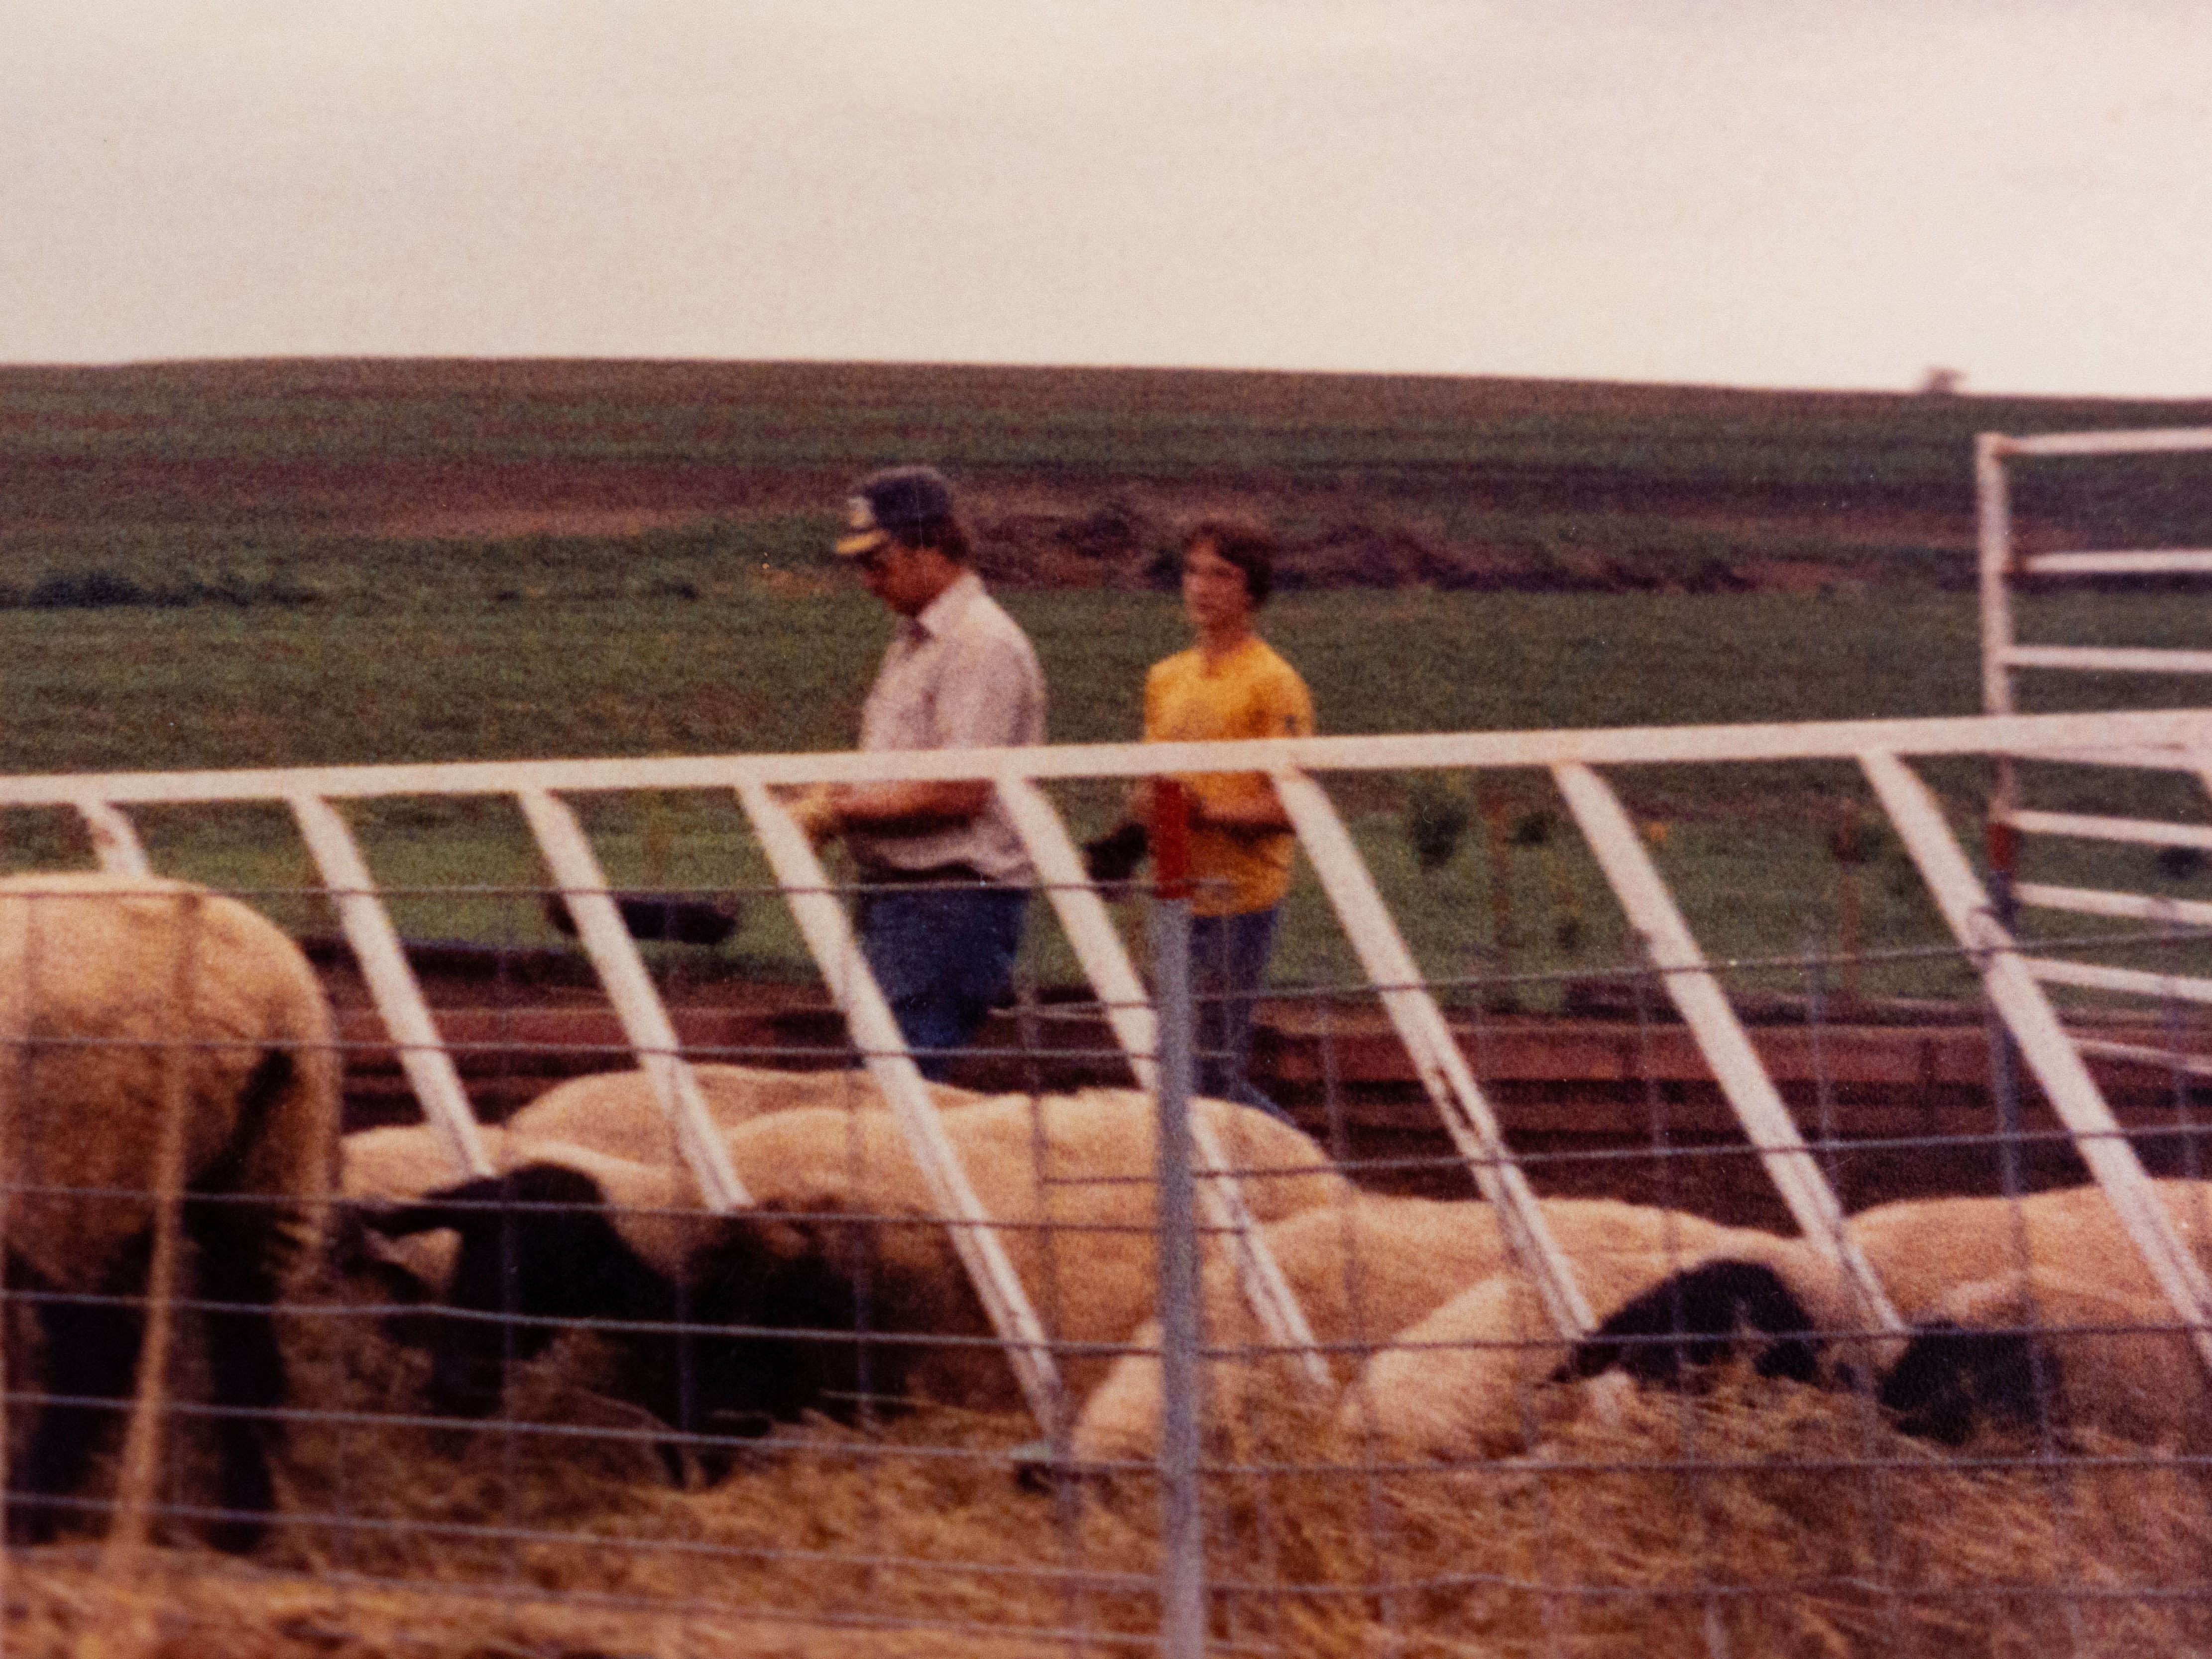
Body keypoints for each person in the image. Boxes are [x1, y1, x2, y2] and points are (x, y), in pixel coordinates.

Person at [788, 466, 1046, 1079]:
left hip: (950, 899)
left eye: (880, 562)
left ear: (930, 546)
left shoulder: (980, 644)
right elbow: (903, 770)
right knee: (887, 1079)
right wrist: (837, 798)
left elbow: (960, 790)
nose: (869, 581)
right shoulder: (916, 643)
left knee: (895, 1083)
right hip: (910, 899)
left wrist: (838, 809)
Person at [1090, 518, 1313, 1118]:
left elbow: (1293, 804)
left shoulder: (1274, 682)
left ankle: (1304, 1165)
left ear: (1252, 590)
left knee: (1206, 1073)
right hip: (1176, 894)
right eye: (1193, 571)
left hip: (1240, 900)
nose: (1203, 586)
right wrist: (1123, 844)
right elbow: (1155, 784)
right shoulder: (1166, 678)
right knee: (1177, 1068)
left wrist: (1207, 812)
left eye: (1223, 574)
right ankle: (1209, 1194)